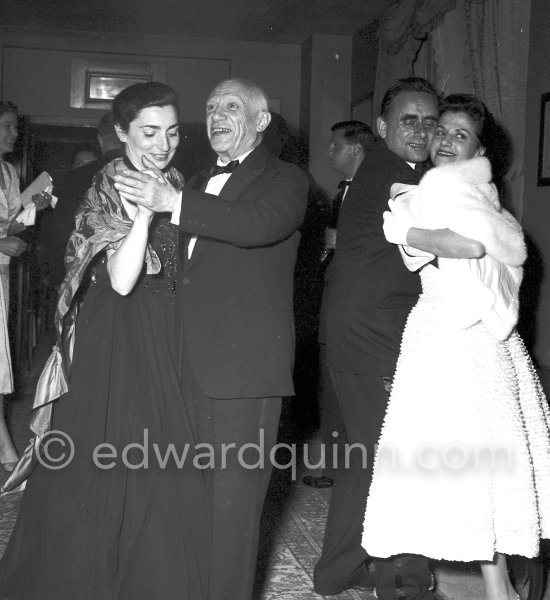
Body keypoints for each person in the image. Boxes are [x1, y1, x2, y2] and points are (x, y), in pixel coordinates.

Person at [0, 82, 209, 600]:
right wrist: (144, 209)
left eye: (172, 132)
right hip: (118, 329)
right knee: (111, 452)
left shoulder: (173, 177)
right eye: (149, 132)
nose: (162, 144)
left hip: (163, 323)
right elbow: (120, 278)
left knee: (156, 454)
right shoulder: (112, 181)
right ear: (121, 133)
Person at [112, 77, 309, 600]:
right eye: (211, 105)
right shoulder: (197, 179)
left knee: (234, 511)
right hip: (187, 364)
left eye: (233, 106)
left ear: (262, 120)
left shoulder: (287, 180)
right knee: (193, 500)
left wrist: (174, 201)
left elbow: (258, 224)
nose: (217, 113)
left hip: (244, 371)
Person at [364, 93, 550, 600]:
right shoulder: (422, 191)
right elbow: (468, 248)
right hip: (441, 334)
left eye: (459, 134)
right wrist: (417, 226)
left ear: (478, 149)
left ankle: (497, 587)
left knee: (478, 462)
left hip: (471, 340)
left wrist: (404, 227)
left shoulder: (473, 201)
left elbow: (469, 247)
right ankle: (493, 586)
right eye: (441, 131)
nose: (444, 140)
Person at [313, 77, 441, 598]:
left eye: (430, 122)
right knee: (395, 461)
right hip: (372, 339)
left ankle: (337, 571)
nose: (421, 130)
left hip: (358, 334)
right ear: (383, 127)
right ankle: (400, 579)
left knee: (364, 461)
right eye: (409, 119)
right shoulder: (398, 178)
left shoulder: (391, 172)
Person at [303, 120, 373, 489]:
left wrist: (337, 241)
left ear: (356, 149)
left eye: (335, 145)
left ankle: (345, 468)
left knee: (346, 391)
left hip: (357, 309)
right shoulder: (342, 190)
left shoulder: (373, 191)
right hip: (333, 302)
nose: (329, 151)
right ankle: (333, 465)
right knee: (329, 387)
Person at [0, 101, 51, 472]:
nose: (14, 134)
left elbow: (13, 224)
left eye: (15, 127)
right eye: (6, 126)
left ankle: (5, 447)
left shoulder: (7, 172)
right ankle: (6, 449)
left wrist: (37, 204)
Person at [40, 111, 124, 289]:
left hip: (87, 277)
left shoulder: (77, 178)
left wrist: (60, 280)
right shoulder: (146, 176)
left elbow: (61, 231)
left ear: (100, 140)